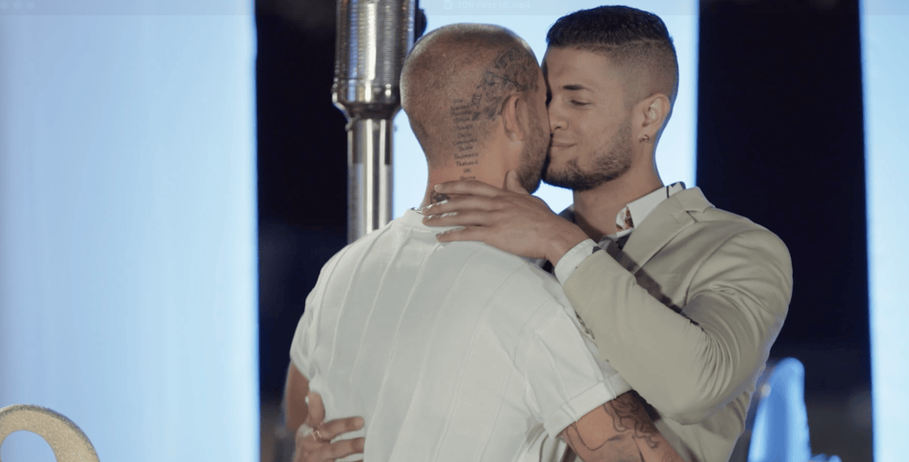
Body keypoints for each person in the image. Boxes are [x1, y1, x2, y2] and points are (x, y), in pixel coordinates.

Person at [283, 23, 684, 462]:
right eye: (544, 100)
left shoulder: (342, 270)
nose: (553, 121)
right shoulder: (535, 303)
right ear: (515, 114)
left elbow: (300, 417)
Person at [422, 6, 793, 462]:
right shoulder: (516, 245)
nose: (551, 119)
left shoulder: (739, 249)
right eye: (545, 98)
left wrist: (561, 242)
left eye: (576, 101)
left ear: (649, 116)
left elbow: (694, 387)